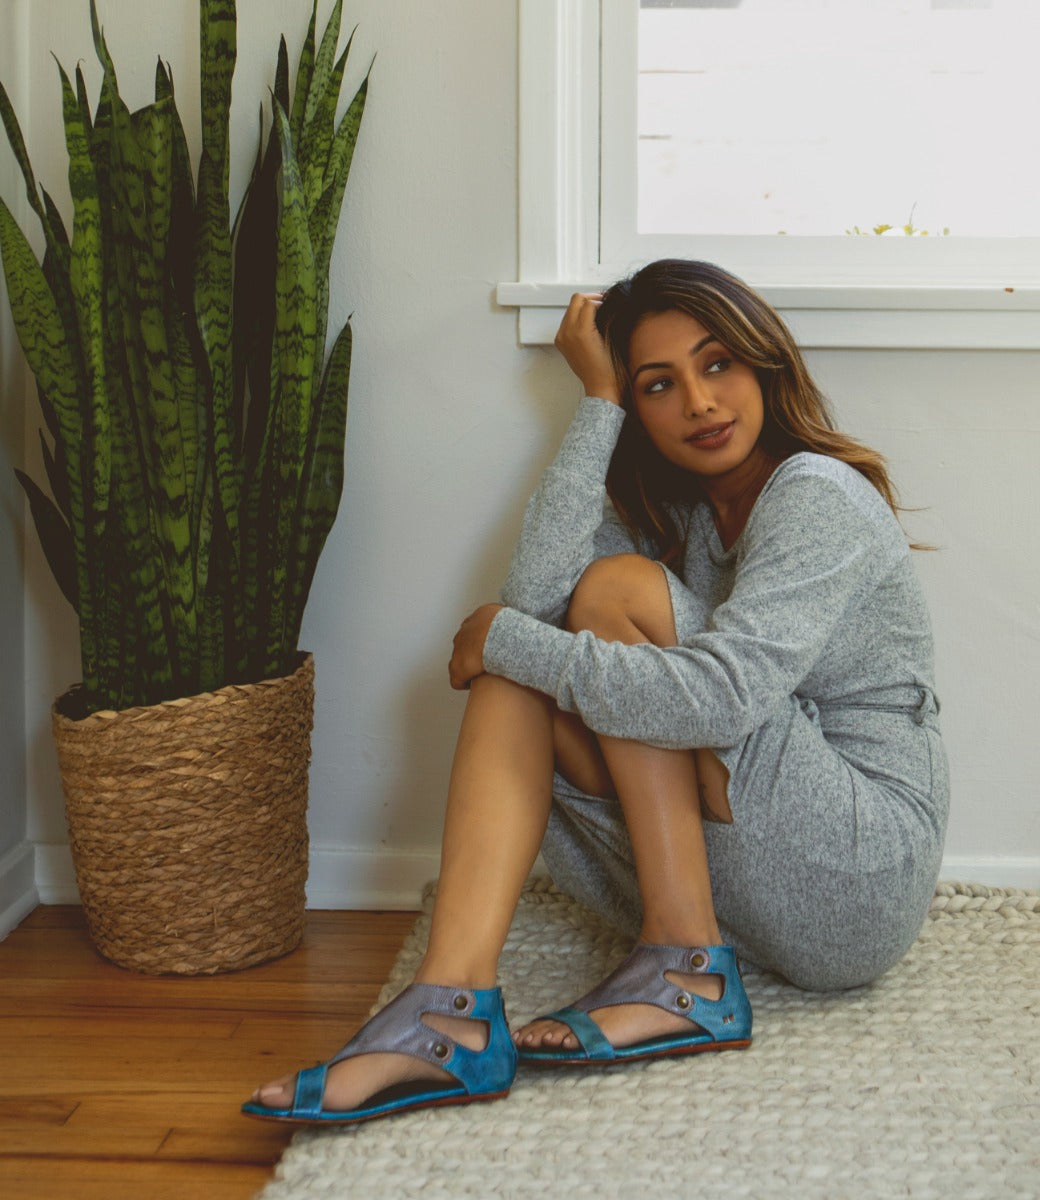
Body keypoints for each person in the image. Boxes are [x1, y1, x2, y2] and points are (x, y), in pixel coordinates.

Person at [243, 258, 948, 1125]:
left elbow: (722, 700)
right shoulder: (679, 509)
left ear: (765, 363)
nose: (698, 401)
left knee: (608, 595)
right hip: (753, 860)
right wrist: (597, 403)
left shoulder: (816, 495)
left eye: (718, 363)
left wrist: (509, 634)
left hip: (859, 869)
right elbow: (535, 598)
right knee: (523, 668)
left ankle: (685, 965)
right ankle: (447, 1014)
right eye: (659, 385)